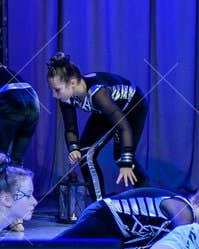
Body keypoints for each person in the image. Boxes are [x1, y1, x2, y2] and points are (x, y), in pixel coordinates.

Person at [58, 171, 199, 249]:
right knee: (57, 248)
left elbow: (155, 246)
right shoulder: (182, 208)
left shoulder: (182, 213)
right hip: (104, 216)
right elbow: (183, 240)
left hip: (115, 232)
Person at [45, 53, 147, 201]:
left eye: (57, 90)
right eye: (52, 90)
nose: (54, 95)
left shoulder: (98, 93)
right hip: (107, 110)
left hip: (133, 107)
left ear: (72, 83)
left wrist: (126, 162)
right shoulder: (67, 98)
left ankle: (149, 196)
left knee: (121, 157)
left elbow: (124, 126)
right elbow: (70, 127)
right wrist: (73, 148)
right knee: (85, 153)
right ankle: (99, 203)